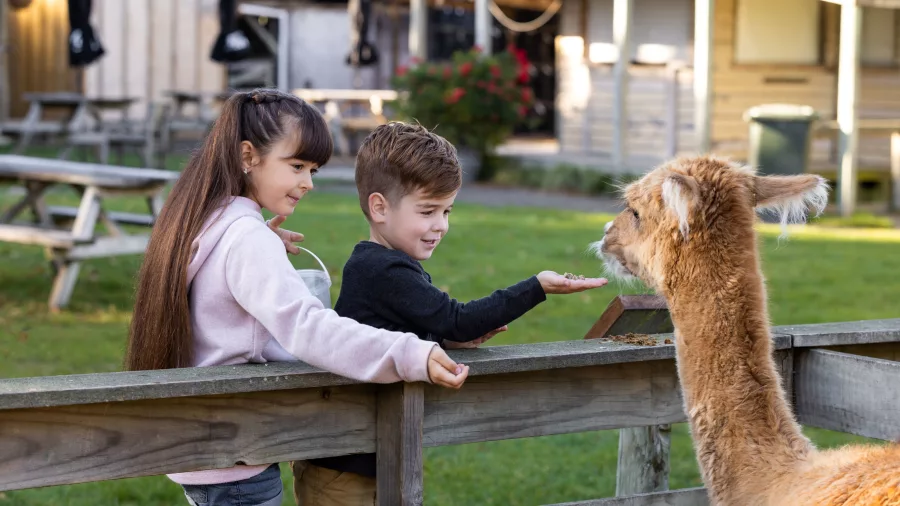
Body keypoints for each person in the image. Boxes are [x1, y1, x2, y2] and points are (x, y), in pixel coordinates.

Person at [124, 91, 469, 506]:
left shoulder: (207, 219)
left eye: (314, 169)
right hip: (238, 459)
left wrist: (261, 241)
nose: (308, 182)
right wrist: (409, 353)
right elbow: (308, 329)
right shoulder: (246, 237)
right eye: (297, 166)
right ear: (248, 156)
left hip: (206, 449)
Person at [293, 121, 608, 505]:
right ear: (379, 207)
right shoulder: (382, 269)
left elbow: (391, 332)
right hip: (342, 467)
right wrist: (537, 287)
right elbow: (456, 316)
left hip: (372, 454)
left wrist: (441, 340)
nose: (440, 226)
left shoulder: (386, 263)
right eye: (428, 211)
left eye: (447, 211)